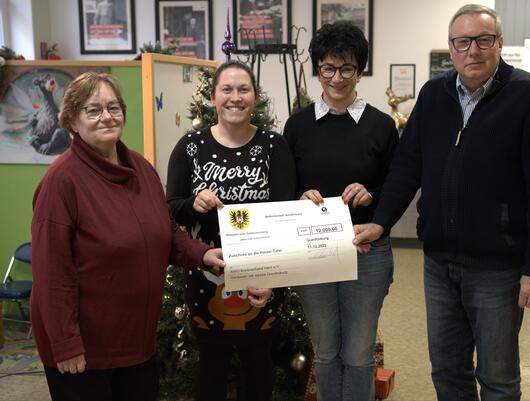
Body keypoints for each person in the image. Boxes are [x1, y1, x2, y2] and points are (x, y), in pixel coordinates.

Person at [354, 5, 530, 401]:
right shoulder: (434, 95)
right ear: (451, 48)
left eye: (484, 40)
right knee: (448, 372)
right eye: (463, 41)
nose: (473, 50)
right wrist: (381, 221)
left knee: (498, 379)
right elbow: (407, 166)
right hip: (438, 262)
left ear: (498, 43)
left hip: (498, 267)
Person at [30, 72, 224, 401]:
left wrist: (201, 254)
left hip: (136, 342)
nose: (106, 116)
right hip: (86, 352)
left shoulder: (140, 168)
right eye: (93, 110)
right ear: (73, 121)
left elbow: (164, 230)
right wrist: (65, 345)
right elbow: (52, 275)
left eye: (113, 107)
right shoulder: (61, 182)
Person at [166, 60, 296, 401]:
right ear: (213, 97)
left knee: (258, 363)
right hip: (206, 273)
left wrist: (272, 276)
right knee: (211, 363)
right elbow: (169, 207)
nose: (234, 97)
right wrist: (194, 202)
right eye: (226, 89)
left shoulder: (274, 147)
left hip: (262, 275)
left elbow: (285, 215)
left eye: (243, 89)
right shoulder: (190, 147)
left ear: (255, 97)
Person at [282, 21, 398, 401]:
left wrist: (371, 194)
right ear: (318, 69)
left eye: (347, 68)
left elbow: (395, 186)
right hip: (313, 252)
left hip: (366, 251)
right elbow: (284, 186)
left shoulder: (381, 126)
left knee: (360, 352)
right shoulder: (297, 126)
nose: (337, 77)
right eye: (328, 68)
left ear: (360, 71)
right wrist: (300, 195)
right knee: (327, 351)